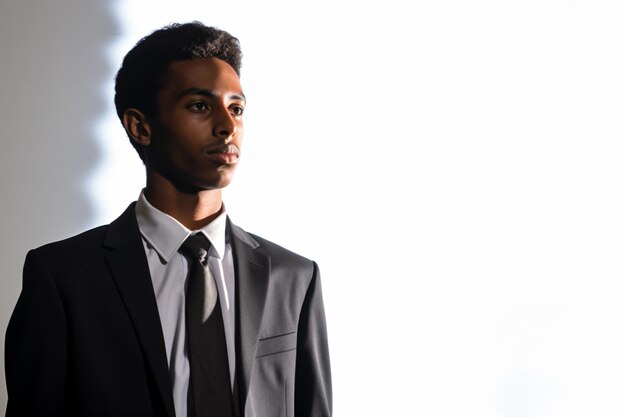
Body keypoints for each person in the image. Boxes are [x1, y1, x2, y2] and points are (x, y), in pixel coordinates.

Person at [5, 22, 332, 417]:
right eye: (199, 105)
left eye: (236, 108)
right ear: (140, 126)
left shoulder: (293, 278)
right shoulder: (63, 278)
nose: (228, 126)